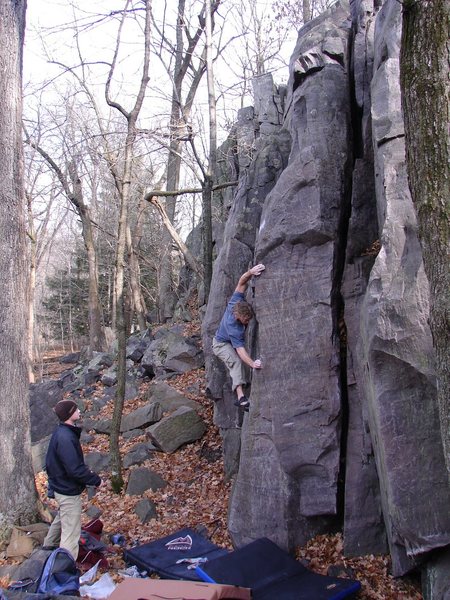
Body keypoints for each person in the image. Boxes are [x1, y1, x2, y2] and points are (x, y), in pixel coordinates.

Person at [43, 399, 101, 560]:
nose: (79, 411)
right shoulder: (65, 438)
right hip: (66, 490)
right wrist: (96, 480)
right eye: (76, 409)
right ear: (70, 414)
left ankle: (47, 547)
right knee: (71, 532)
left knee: (63, 517)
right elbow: (75, 469)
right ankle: (66, 570)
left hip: (61, 486)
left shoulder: (63, 432)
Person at [212, 264, 265, 410]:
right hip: (220, 345)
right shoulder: (233, 327)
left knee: (238, 361)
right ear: (237, 317)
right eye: (245, 320)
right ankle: (241, 398)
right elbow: (240, 352)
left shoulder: (236, 301)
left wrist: (251, 272)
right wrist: (253, 364)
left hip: (227, 340)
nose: (247, 322)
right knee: (235, 362)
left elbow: (241, 282)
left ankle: (241, 385)